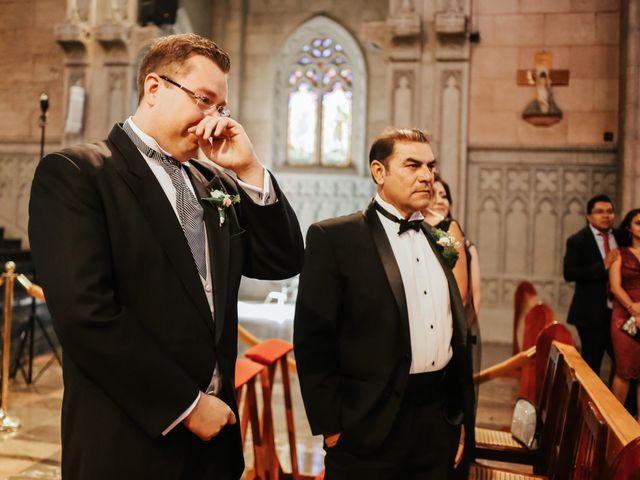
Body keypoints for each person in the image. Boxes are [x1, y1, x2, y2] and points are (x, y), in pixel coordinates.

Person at [28, 34, 304, 480]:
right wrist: (188, 406)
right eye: (203, 99)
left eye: (221, 107)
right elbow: (88, 317)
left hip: (215, 447)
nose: (212, 118)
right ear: (154, 89)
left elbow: (282, 261)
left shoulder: (215, 182)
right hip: (128, 444)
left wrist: (251, 171)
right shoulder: (79, 174)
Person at [294, 128, 475, 480]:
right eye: (412, 165)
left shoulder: (441, 240)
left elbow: (457, 334)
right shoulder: (334, 238)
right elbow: (313, 340)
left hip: (437, 424)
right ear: (379, 172)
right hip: (368, 425)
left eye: (430, 166)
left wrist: (459, 415)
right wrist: (332, 427)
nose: (427, 176)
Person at [424, 176, 482, 397]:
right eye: (434, 194)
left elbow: (469, 295)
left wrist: (460, 330)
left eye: (444, 195)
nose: (440, 200)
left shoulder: (453, 236)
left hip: (453, 327)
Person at [563, 194, 618, 376]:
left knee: (623, 363)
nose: (606, 216)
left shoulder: (621, 237)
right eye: (600, 212)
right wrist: (602, 265)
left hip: (619, 312)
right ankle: (587, 404)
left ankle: (619, 404)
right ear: (588, 216)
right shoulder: (578, 240)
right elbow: (569, 273)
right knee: (592, 364)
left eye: (609, 211)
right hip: (590, 313)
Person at [609, 208, 640, 421]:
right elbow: (615, 286)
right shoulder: (619, 253)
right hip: (624, 315)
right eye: (639, 223)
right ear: (629, 227)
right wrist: (633, 308)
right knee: (624, 370)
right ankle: (613, 424)